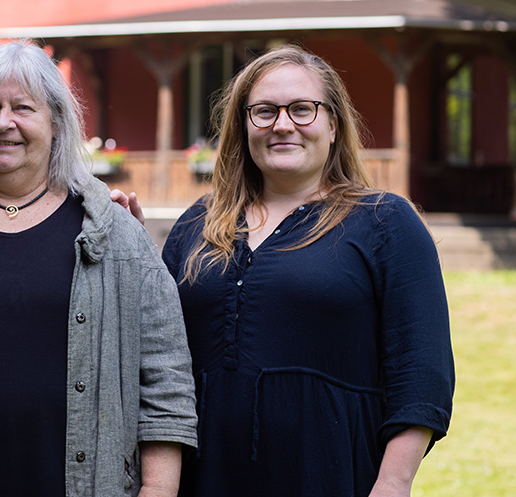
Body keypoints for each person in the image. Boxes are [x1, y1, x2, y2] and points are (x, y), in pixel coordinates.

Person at [0, 41, 198, 497]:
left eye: (23, 108)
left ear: (56, 123)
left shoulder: (112, 232)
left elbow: (165, 377)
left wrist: (157, 489)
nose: (3, 122)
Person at [161, 45, 455, 497]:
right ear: (243, 126)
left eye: (302, 109)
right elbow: (155, 359)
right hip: (205, 478)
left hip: (331, 476)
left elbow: (422, 373)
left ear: (333, 125)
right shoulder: (196, 226)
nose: (282, 124)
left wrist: (393, 483)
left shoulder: (385, 222)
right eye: (264, 111)